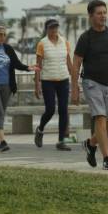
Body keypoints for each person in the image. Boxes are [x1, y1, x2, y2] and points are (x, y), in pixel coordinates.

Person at [71, 0, 108, 170]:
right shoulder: (85, 38)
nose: (103, 16)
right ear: (91, 16)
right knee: (101, 118)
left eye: (105, 12)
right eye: (99, 13)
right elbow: (76, 64)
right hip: (92, 83)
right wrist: (74, 88)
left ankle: (90, 144)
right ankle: (107, 158)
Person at [33, 19, 73, 151]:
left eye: (56, 27)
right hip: (48, 80)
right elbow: (38, 66)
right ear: (47, 29)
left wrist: (75, 80)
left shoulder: (65, 42)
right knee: (50, 109)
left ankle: (61, 141)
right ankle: (40, 129)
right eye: (51, 28)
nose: (54, 30)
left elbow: (69, 62)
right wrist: (37, 84)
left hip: (63, 80)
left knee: (63, 110)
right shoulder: (42, 44)